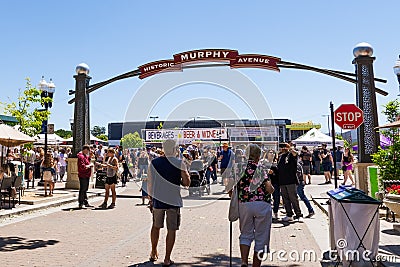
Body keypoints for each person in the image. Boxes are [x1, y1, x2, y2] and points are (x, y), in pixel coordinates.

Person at [147, 140, 190, 267]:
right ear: (175, 149)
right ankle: (167, 258)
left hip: (158, 199)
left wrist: (150, 198)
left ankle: (153, 251)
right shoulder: (179, 163)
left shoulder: (154, 163)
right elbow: (187, 183)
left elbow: (149, 182)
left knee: (156, 226)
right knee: (171, 229)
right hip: (173, 200)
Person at [233, 144, 274, 267]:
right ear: (258, 156)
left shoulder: (239, 168)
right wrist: (272, 190)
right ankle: (256, 265)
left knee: (245, 233)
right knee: (261, 236)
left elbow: (229, 185)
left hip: (245, 203)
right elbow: (268, 187)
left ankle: (244, 261)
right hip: (262, 203)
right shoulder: (261, 168)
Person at [277, 143, 303, 222]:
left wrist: (290, 148)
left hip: (291, 180)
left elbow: (296, 154)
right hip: (282, 181)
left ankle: (298, 215)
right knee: (285, 199)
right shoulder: (281, 156)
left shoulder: (291, 155)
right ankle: (289, 214)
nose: (281, 149)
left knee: (293, 198)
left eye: (282, 147)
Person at [77, 145, 94, 209]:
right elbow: (83, 166)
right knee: (83, 189)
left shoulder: (84, 156)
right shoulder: (81, 157)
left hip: (86, 175)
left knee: (85, 189)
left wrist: (90, 157)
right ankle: (81, 203)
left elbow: (87, 161)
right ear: (85, 150)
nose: (88, 152)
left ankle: (85, 201)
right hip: (83, 175)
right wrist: (90, 165)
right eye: (88, 150)